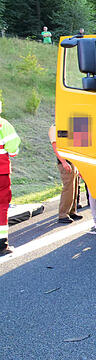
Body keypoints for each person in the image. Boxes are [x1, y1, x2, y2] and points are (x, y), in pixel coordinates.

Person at [49, 125, 83, 224]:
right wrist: (63, 162)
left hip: (73, 161)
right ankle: (63, 214)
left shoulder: (67, 124)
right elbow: (55, 146)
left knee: (75, 188)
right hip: (66, 162)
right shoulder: (55, 127)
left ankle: (72, 211)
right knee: (68, 189)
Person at [0, 100, 20, 255]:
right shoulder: (3, 125)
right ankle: (2, 244)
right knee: (1, 206)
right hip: (1, 172)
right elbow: (12, 149)